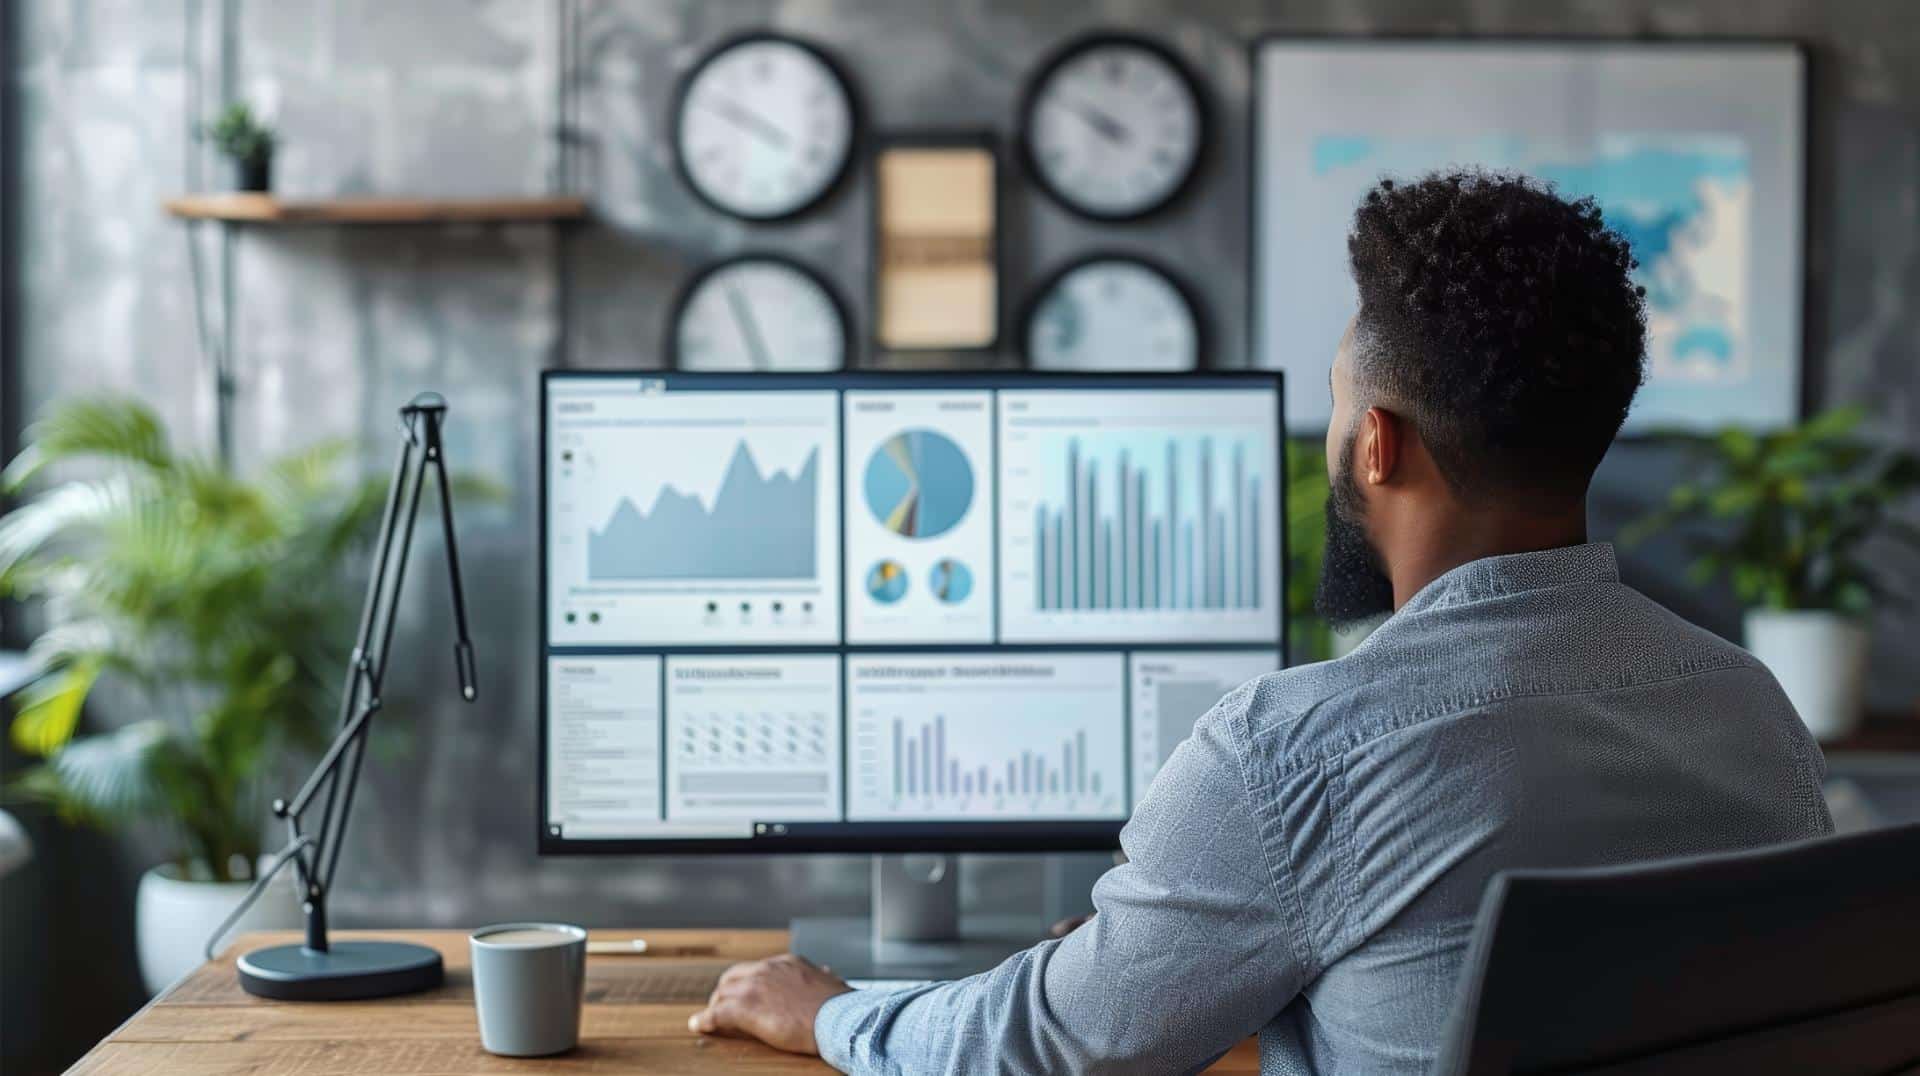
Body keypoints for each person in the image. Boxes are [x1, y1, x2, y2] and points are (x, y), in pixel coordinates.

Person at [687, 170, 1835, 1073]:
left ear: (1378, 445)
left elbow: (1040, 1049)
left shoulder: (1295, 754)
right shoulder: (1751, 708)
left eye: (1340, 404)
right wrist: (1143, 962)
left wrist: (835, 1012)